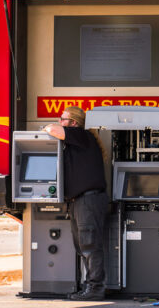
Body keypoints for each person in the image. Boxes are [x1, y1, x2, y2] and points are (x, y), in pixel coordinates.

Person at [44, 106, 108, 301]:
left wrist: (46, 128)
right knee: (82, 246)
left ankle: (95, 289)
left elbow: (53, 130)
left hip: (88, 199)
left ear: (74, 123)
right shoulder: (77, 141)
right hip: (80, 201)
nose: (59, 121)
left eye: (63, 118)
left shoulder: (81, 136)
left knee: (89, 244)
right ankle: (88, 287)